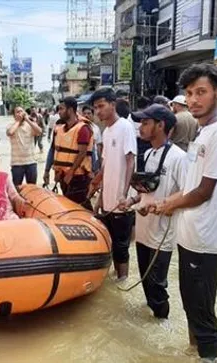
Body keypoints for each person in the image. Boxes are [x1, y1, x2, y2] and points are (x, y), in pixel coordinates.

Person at [151, 64, 217, 362]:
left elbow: (204, 191)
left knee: (202, 312)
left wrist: (170, 204)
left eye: (201, 92)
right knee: (191, 304)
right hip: (189, 235)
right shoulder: (202, 133)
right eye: (189, 93)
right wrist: (163, 202)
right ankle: (193, 352)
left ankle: (208, 356)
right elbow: (190, 184)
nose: (193, 100)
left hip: (205, 237)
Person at [119, 104, 186, 320]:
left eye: (146, 123)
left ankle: (162, 325)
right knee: (146, 283)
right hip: (143, 232)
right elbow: (146, 191)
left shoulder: (179, 158)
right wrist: (131, 200)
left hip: (162, 236)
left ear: (161, 125)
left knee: (157, 287)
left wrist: (162, 205)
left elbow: (186, 193)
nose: (141, 127)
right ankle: (151, 327)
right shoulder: (147, 154)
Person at [88, 88, 137, 282]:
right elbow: (106, 167)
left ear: (113, 105)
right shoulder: (106, 132)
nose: (98, 112)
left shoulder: (125, 127)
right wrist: (99, 197)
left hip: (122, 202)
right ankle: (117, 278)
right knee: (111, 244)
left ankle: (122, 281)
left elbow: (130, 160)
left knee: (121, 246)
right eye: (95, 108)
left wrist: (124, 195)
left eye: (101, 106)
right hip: (108, 199)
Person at [52, 97, 95, 207]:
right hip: (64, 176)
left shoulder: (83, 129)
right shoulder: (60, 129)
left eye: (61, 109)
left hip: (78, 177)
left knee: (80, 205)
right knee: (68, 204)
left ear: (70, 110)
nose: (59, 112)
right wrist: (57, 172)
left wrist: (71, 172)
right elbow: (56, 151)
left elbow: (82, 153)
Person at [7, 106, 42, 187]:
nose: (20, 114)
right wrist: (18, 121)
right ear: (14, 115)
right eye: (17, 112)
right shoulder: (10, 125)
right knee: (17, 188)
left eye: (21, 111)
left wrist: (27, 120)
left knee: (32, 188)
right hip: (17, 163)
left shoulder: (30, 124)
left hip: (31, 162)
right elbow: (10, 132)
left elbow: (40, 132)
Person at [82, 105, 103, 173]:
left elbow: (99, 147)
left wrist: (100, 163)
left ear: (93, 115)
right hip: (82, 161)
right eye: (84, 113)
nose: (86, 115)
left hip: (94, 161)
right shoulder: (79, 128)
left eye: (89, 113)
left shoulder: (96, 129)